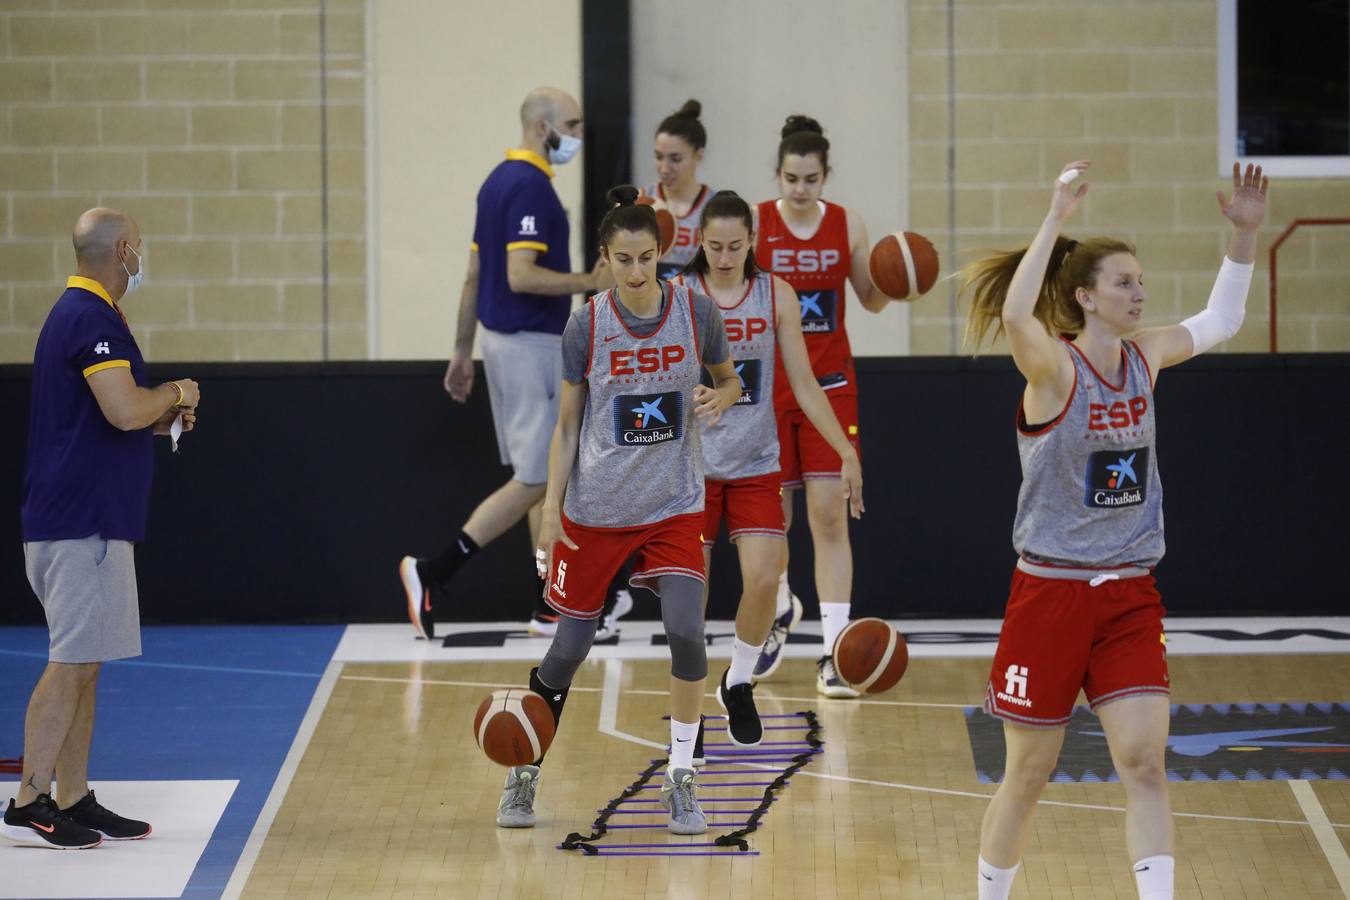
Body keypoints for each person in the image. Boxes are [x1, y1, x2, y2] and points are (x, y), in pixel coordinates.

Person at [960, 161, 1268, 900]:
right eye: (1125, 282)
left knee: (1144, 762)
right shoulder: (1055, 373)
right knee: (1028, 775)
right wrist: (1055, 216)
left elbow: (1222, 321)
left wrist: (1244, 235)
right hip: (1051, 594)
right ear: (1086, 297)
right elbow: (1013, 317)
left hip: (1129, 595)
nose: (1141, 292)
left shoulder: (1147, 356)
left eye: (1141, 280)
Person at [493, 186, 741, 835]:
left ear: (661, 253)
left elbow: (731, 377)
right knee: (568, 648)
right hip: (596, 509)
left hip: (674, 504)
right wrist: (550, 513)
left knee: (687, 631)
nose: (636, 272)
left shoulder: (695, 311)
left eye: (646, 258)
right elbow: (567, 426)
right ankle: (524, 773)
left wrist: (723, 396)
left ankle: (681, 777)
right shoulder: (587, 324)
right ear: (604, 259)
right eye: (623, 259)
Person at [3, 208, 199, 850]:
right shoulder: (88, 316)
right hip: (78, 522)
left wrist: (157, 415)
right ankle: (30, 796)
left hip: (90, 519)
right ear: (121, 251)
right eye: (138, 247)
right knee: (70, 661)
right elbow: (121, 410)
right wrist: (174, 393)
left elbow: (106, 416)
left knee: (86, 663)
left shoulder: (86, 315)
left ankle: (73, 794)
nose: (141, 257)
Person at [400, 86, 610, 641]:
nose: (578, 134)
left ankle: (550, 604)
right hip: (528, 345)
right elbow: (519, 275)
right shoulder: (529, 187)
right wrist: (591, 282)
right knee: (540, 477)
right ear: (543, 128)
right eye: (572, 123)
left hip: (504, 342)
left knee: (541, 477)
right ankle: (434, 571)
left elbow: (476, 275)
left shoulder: (496, 182)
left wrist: (461, 350)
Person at [673, 190, 863, 746]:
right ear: (699, 243)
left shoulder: (774, 294)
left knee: (762, 578)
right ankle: (689, 715)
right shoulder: (682, 295)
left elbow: (804, 383)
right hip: (695, 467)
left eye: (735, 246)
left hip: (757, 463)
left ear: (752, 242)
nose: (725, 256)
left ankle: (738, 680)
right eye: (715, 247)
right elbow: (663, 379)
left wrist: (845, 450)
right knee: (692, 598)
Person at [751, 115, 894, 696]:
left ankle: (836, 653)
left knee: (830, 516)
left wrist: (898, 277)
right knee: (772, 518)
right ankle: (779, 606)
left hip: (831, 385)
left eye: (810, 179)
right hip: (768, 384)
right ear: (778, 174)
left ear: (825, 176)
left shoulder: (847, 224)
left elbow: (871, 299)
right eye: (791, 177)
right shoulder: (757, 224)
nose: (800, 188)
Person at [644, 99, 713, 280]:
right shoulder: (639, 202)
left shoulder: (717, 209)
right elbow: (608, 277)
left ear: (698, 156)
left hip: (698, 305)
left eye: (675, 159)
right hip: (649, 306)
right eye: (659, 157)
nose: (665, 168)